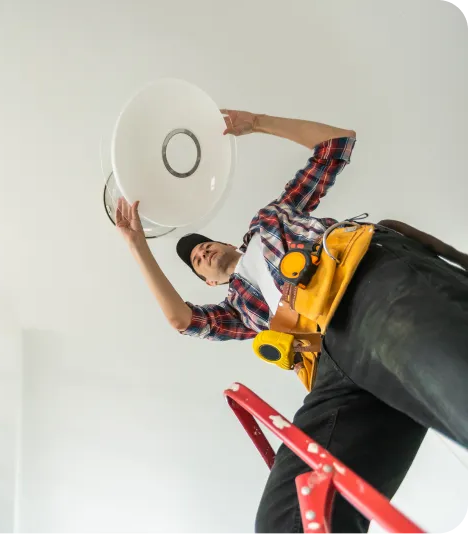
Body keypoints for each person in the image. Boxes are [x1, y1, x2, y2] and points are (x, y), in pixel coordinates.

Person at [115, 109, 468, 534]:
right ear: (208, 281)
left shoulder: (270, 219)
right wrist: (137, 245)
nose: (203, 252)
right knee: (285, 518)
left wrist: (257, 123)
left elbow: (337, 144)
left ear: (228, 242)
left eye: (205, 245)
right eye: (197, 260)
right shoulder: (239, 309)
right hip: (331, 364)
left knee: (456, 383)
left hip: (359, 284)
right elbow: (182, 319)